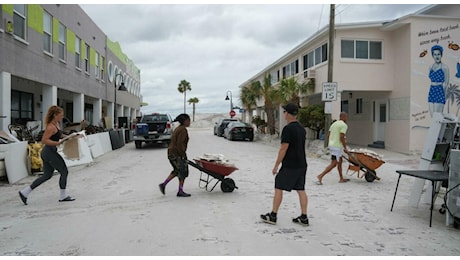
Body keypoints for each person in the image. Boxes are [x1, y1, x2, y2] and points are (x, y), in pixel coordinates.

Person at [260, 103, 309, 226]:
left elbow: (284, 148)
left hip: (290, 165)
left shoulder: (288, 129)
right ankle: (304, 217)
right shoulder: (301, 129)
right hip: (302, 164)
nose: (284, 114)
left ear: (287, 113)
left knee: (278, 186)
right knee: (301, 189)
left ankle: (273, 215)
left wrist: (276, 165)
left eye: (284, 112)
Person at [18, 105, 76, 205]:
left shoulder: (56, 124)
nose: (62, 117)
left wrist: (71, 137)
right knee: (64, 171)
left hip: (49, 152)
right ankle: (63, 196)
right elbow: (44, 141)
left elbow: (59, 135)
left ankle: (25, 192)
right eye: (60, 115)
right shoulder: (50, 127)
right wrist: (57, 143)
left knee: (47, 175)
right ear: (55, 115)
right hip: (49, 152)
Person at [159, 113, 192, 197]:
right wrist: (182, 155)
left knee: (177, 170)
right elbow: (180, 143)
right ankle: (180, 191)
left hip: (172, 153)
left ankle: (163, 185)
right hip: (176, 153)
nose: (189, 122)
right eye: (188, 120)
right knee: (182, 171)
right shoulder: (183, 130)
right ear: (184, 121)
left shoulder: (178, 128)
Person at [316, 111, 349, 185]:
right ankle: (320, 176)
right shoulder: (343, 125)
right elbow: (342, 136)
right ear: (343, 117)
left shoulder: (334, 124)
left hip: (332, 145)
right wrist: (345, 147)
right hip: (337, 147)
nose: (347, 118)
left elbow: (328, 135)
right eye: (346, 117)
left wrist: (333, 140)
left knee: (340, 161)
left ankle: (341, 178)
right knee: (334, 163)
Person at [428, 45, 450, 117]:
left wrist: (444, 96)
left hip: (439, 91)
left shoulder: (444, 67)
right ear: (432, 55)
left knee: (437, 117)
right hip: (432, 91)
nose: (437, 56)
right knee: (432, 116)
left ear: (441, 55)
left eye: (438, 54)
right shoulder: (431, 67)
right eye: (435, 54)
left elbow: (446, 83)